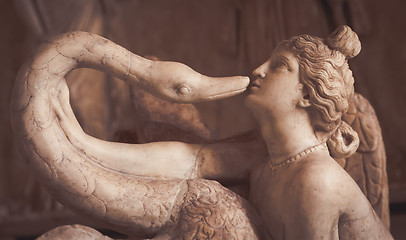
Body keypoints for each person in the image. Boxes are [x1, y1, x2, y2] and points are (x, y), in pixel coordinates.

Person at [245, 25, 392, 239]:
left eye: (278, 65)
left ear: (307, 94)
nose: (258, 70)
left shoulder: (317, 179)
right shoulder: (265, 168)